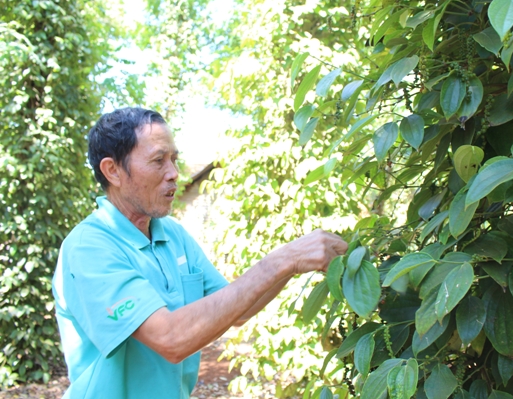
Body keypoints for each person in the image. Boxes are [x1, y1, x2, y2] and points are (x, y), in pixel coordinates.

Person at [52, 107, 348, 399]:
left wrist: (293, 263)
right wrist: (284, 259)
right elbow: (171, 339)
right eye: (158, 161)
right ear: (112, 171)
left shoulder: (173, 235)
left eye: (174, 160)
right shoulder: (90, 248)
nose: (174, 174)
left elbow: (238, 309)